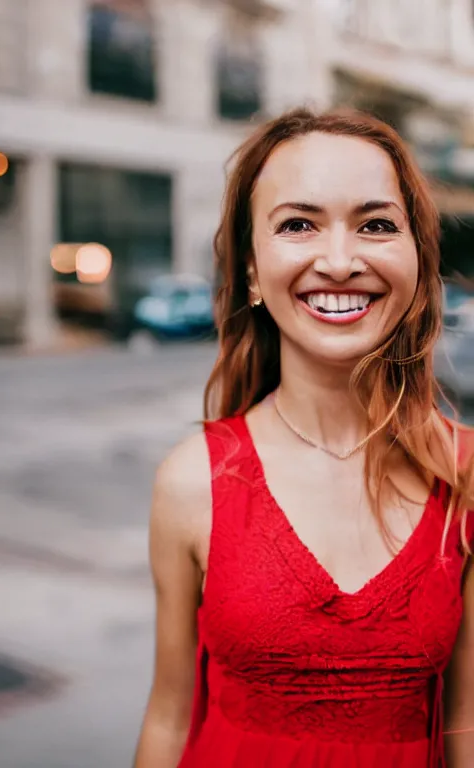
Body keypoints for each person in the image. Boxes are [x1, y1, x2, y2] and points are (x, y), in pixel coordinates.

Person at [133, 108, 474, 768]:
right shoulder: (192, 481)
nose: (341, 261)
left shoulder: (464, 475)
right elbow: (170, 717)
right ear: (253, 270)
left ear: (415, 258)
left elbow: (468, 722)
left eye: (376, 225)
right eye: (298, 224)